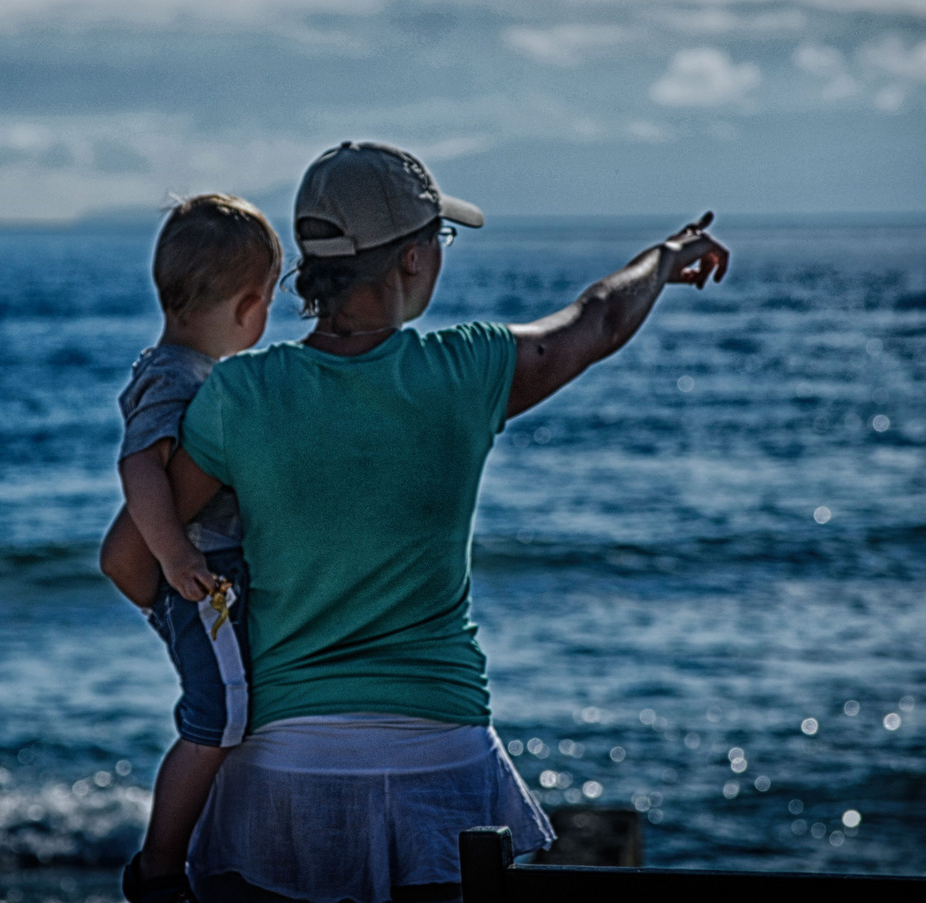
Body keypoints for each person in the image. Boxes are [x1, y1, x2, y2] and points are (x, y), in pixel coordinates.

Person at [157, 141, 729, 903]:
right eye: (438, 238)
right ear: (412, 262)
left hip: (284, 768)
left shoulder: (239, 395)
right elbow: (596, 321)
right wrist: (663, 257)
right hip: (443, 762)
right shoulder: (467, 371)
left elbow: (132, 559)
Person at [97, 193, 283, 903]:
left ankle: (197, 848)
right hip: (203, 580)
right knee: (218, 719)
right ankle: (159, 867)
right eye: (267, 300)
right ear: (247, 306)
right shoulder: (177, 377)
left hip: (204, 579)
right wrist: (174, 558)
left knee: (230, 714)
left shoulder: (186, 369)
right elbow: (139, 464)